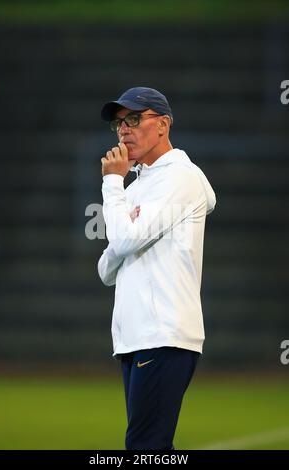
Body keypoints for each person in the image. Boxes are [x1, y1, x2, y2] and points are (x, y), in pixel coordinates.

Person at [97, 87, 216, 450]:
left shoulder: (179, 176)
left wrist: (112, 182)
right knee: (151, 447)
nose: (124, 130)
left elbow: (125, 242)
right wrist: (125, 229)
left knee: (145, 447)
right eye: (119, 124)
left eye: (134, 119)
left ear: (163, 124)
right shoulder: (139, 184)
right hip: (136, 336)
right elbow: (105, 267)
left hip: (163, 332)